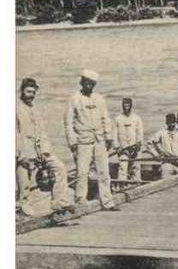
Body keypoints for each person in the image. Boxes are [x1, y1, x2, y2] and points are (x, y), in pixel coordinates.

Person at [17, 78, 72, 215]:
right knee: (25, 184)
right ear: (21, 91)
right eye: (29, 91)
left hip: (39, 151)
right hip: (22, 151)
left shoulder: (35, 109)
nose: (31, 95)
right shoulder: (15, 108)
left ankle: (59, 202)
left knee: (59, 167)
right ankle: (24, 211)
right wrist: (19, 156)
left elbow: (42, 132)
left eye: (34, 92)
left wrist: (45, 152)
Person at [64, 69, 116, 210]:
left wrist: (109, 136)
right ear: (82, 82)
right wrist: (72, 142)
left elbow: (105, 118)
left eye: (92, 84)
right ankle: (81, 201)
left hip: (99, 139)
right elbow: (68, 122)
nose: (89, 86)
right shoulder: (74, 99)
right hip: (83, 140)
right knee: (82, 172)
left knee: (104, 171)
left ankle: (107, 201)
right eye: (87, 83)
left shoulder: (99, 98)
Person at [113, 98, 144, 183]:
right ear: (122, 105)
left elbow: (140, 133)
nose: (126, 106)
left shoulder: (137, 118)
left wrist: (138, 143)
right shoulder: (117, 119)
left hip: (135, 148)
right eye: (124, 104)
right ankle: (122, 186)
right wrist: (117, 147)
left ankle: (137, 184)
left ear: (131, 105)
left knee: (136, 168)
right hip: (123, 149)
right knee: (123, 168)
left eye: (128, 104)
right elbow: (114, 135)